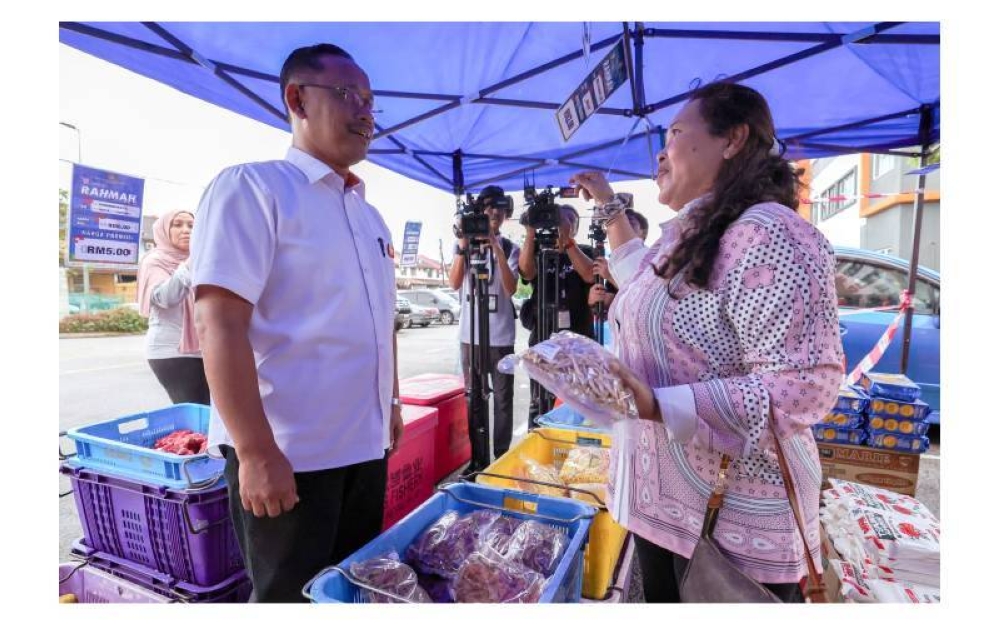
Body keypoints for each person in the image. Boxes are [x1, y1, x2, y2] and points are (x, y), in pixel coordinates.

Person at [570, 82, 843, 603]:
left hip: (726, 523)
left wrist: (660, 404)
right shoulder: (691, 230)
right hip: (669, 510)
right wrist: (608, 203)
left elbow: (805, 384)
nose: (661, 151)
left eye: (674, 134)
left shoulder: (768, 232)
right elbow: (640, 278)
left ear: (733, 139)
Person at [190, 43, 404, 603]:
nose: (364, 112)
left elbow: (382, 323)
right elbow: (219, 325)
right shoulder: (254, 188)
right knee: (289, 596)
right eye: (347, 95)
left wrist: (395, 403)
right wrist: (257, 452)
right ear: (296, 99)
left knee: (354, 588)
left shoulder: (369, 214)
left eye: (370, 102)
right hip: (291, 456)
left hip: (365, 447)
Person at [449, 185, 520, 463]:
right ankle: (479, 460)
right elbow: (454, 282)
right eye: (489, 207)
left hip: (501, 338)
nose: (494, 213)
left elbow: (511, 288)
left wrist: (496, 247)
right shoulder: (465, 244)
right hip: (470, 336)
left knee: (503, 401)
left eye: (500, 208)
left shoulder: (510, 247)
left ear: (506, 214)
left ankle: (502, 458)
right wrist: (463, 245)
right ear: (480, 209)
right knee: (474, 399)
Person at [519, 204, 595, 424]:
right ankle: (538, 439)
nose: (564, 223)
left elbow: (590, 275)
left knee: (576, 402)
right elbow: (526, 271)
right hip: (543, 339)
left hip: (578, 343)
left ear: (576, 226)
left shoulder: (584, 251)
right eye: (560, 219)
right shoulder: (540, 251)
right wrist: (531, 233)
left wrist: (567, 240)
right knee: (540, 401)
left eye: (570, 220)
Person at [136, 209, 209, 405]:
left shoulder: (203, 261)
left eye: (191, 226)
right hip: (171, 352)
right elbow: (165, 298)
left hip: (205, 350)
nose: (186, 230)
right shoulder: (155, 260)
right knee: (196, 412)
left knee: (213, 416)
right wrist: (187, 266)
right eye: (177, 224)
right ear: (163, 230)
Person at [588, 208, 649, 311]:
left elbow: (644, 297)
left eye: (631, 223)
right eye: (624, 223)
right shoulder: (614, 263)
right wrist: (594, 300)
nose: (625, 227)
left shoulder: (652, 257)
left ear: (643, 232)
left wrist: (610, 276)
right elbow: (609, 304)